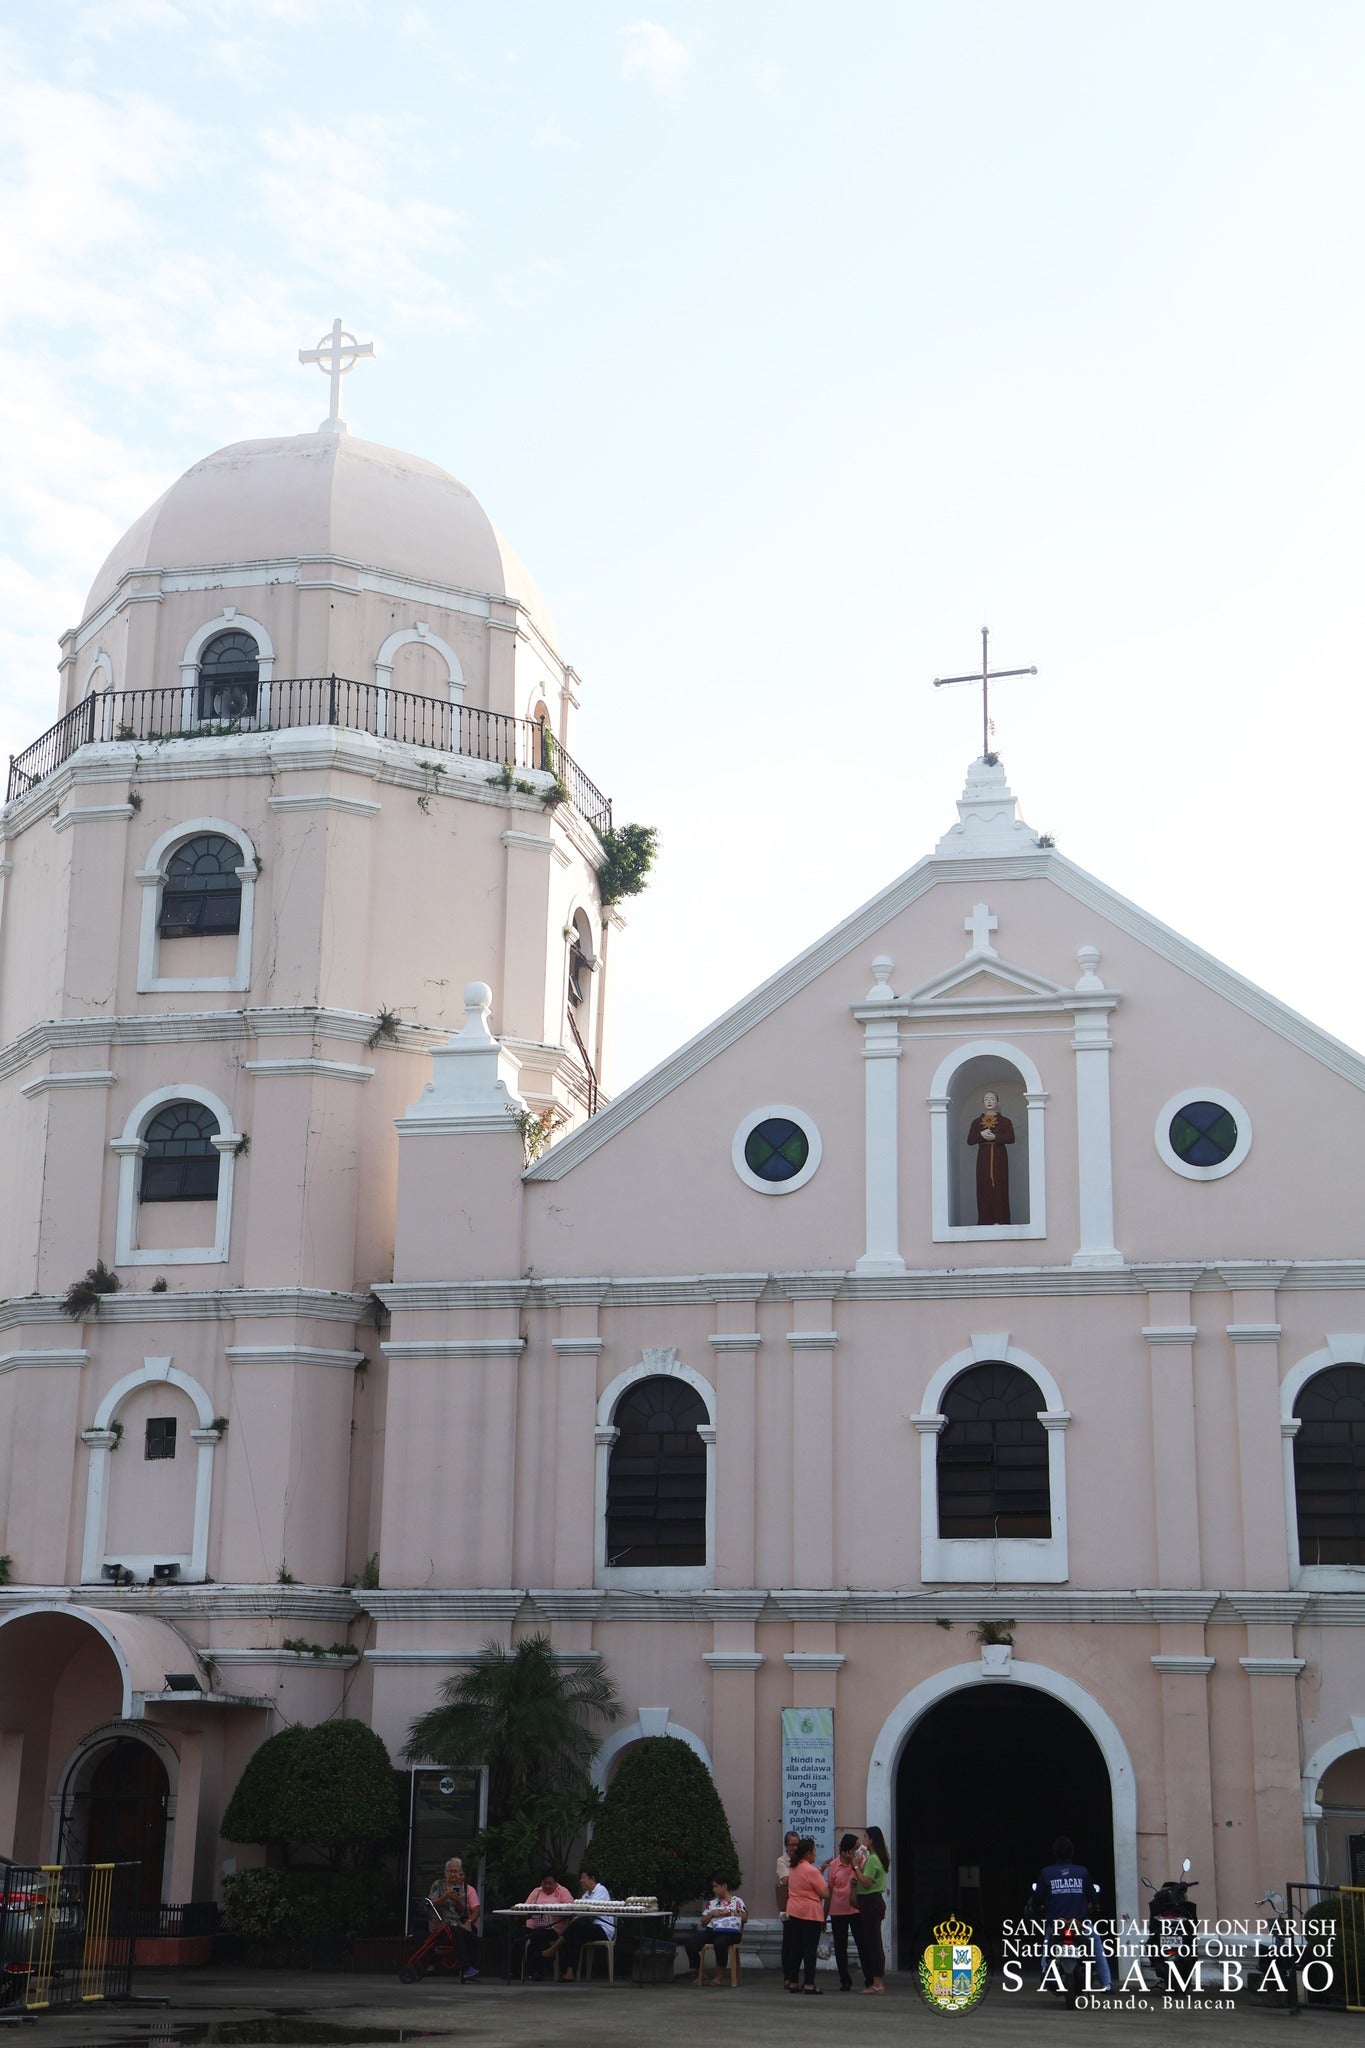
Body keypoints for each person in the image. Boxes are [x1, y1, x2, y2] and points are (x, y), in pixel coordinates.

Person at [1033, 1836, 1112, 1992]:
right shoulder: (1082, 1872)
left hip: (1057, 1924)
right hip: (1080, 1924)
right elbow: (1092, 1897)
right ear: (1072, 1852)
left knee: (1047, 1947)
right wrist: (1095, 1906)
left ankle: (1045, 1973)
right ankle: (1106, 1984)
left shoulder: (1046, 1873)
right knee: (1096, 1947)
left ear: (1055, 1853)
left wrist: (1039, 1910)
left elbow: (1038, 1899)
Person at [549, 1866, 615, 1981]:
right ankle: (569, 1972)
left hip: (603, 1929)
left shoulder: (601, 1890)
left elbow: (590, 1910)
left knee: (575, 1928)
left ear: (592, 1879)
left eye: (583, 1878)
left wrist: (578, 1917)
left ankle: (555, 1949)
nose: (581, 1881)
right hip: (588, 1928)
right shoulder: (586, 1895)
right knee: (574, 1933)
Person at [783, 1838, 829, 1995]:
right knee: (809, 1949)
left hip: (794, 1911)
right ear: (808, 1853)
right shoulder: (811, 1870)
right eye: (814, 1851)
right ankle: (809, 1983)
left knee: (795, 1947)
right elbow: (825, 1893)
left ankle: (793, 1981)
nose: (815, 1854)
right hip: (810, 1912)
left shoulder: (793, 1868)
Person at [681, 1876, 747, 1983]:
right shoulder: (712, 1903)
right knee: (690, 1943)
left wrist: (730, 1913)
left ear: (724, 1886)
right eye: (713, 1887)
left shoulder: (737, 1901)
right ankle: (700, 1972)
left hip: (729, 1932)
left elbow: (745, 1918)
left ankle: (720, 1976)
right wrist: (711, 1914)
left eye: (716, 1886)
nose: (714, 1889)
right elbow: (703, 1922)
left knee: (720, 1943)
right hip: (712, 1931)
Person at [427, 1856, 480, 1980]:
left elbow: (461, 1912)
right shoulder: (438, 1884)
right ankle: (466, 1968)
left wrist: (458, 1902)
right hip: (441, 1924)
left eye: (456, 1871)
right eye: (451, 1871)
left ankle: (468, 1971)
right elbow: (431, 1904)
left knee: (472, 1937)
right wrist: (445, 1896)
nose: (453, 1874)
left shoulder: (458, 1887)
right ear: (445, 1873)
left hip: (455, 1924)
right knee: (457, 1932)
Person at [968, 1088, 1015, 1225]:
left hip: (999, 1156)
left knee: (1000, 1185)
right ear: (983, 1102)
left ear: (997, 1102)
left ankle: (1001, 1220)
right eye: (986, 1099)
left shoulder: (1005, 1121)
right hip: (983, 1156)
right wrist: (981, 1135)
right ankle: (985, 1220)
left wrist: (996, 1137)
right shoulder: (976, 1122)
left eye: (992, 1099)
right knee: (984, 1187)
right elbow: (970, 1140)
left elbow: (1011, 1138)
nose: (989, 1101)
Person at [822, 1833, 864, 1992]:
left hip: (855, 1909)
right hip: (838, 1911)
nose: (857, 1851)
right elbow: (829, 1891)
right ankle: (844, 1979)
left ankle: (868, 1977)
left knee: (862, 1942)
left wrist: (854, 1865)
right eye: (854, 1848)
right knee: (840, 1946)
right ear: (846, 1850)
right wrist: (824, 1916)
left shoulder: (860, 1861)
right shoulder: (834, 1865)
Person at [852, 1826, 889, 1993]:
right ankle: (876, 1981)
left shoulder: (874, 1859)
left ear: (872, 1840)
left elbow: (866, 1882)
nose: (863, 1840)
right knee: (873, 1941)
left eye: (865, 1836)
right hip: (870, 1902)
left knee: (873, 1943)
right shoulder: (874, 1857)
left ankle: (877, 1983)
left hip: (871, 1901)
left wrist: (856, 1867)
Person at [520, 1868, 574, 1979]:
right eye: (545, 1883)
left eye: (550, 1883)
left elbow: (571, 1908)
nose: (548, 1886)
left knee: (537, 1936)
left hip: (554, 1928)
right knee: (514, 1935)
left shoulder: (563, 1892)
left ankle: (534, 1971)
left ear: (555, 1883)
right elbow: (526, 1907)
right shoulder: (536, 1892)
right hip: (533, 1925)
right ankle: (514, 1972)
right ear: (541, 1883)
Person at [775, 1830, 801, 1992]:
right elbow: (786, 1880)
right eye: (792, 1845)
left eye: (797, 1844)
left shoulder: (801, 1861)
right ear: (786, 1846)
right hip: (789, 1907)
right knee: (789, 1943)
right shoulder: (782, 1861)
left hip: (802, 1907)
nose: (795, 1848)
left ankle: (796, 1975)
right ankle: (788, 1976)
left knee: (800, 1944)